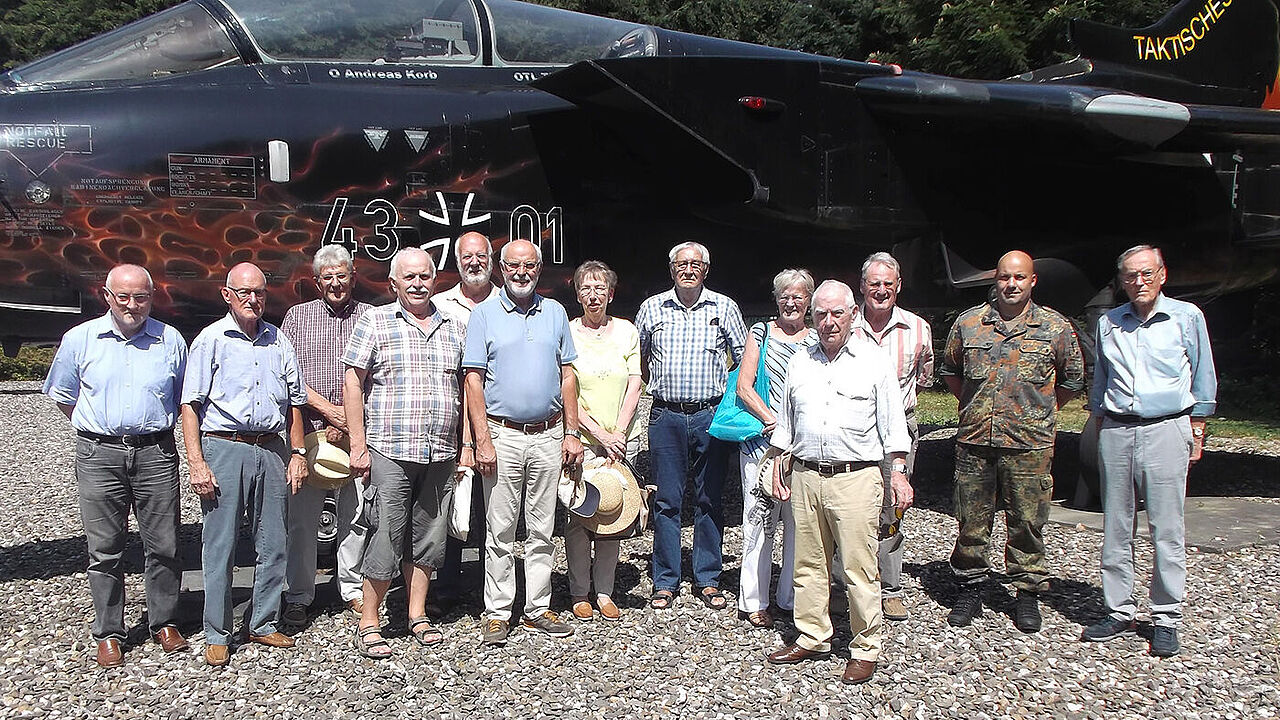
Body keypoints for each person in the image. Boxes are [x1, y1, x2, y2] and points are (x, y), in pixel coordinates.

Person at [764, 280, 912, 685]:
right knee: (807, 563)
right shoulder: (800, 360)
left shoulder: (873, 360)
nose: (829, 322)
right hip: (807, 474)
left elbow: (893, 423)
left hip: (856, 478)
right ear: (813, 316)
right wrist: (779, 460)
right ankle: (813, 635)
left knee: (858, 566)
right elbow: (787, 417)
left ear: (852, 314)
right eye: (821, 314)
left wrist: (897, 472)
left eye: (837, 314)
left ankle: (866, 648)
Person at [43, 264, 189, 668]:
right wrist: (97, 431)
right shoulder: (80, 339)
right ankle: (109, 632)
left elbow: (182, 399)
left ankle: (164, 622)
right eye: (122, 296)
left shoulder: (169, 340)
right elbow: (63, 395)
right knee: (104, 549)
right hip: (98, 455)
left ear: (152, 297)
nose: (131, 305)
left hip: (155, 453)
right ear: (106, 295)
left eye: (140, 297)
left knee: (164, 545)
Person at [939, 250, 1085, 633]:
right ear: (996, 280)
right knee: (971, 521)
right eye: (1005, 277)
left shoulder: (1054, 327)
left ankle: (1026, 593)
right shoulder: (969, 324)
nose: (1011, 285)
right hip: (975, 442)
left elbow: (1071, 380)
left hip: (1029, 445)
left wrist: (1034, 411)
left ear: (1032, 281)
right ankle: (971, 586)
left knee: (1027, 523)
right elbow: (952, 372)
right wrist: (978, 406)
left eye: (1019, 278)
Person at [1082, 245, 1216, 657]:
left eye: (1146, 273)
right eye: (1130, 275)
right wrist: (1100, 420)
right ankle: (1119, 610)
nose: (1138, 282)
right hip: (1118, 429)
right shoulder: (1109, 323)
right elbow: (1101, 378)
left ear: (1162, 275)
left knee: (1166, 527)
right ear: (1121, 281)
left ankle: (1165, 616)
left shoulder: (1186, 317)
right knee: (1116, 527)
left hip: (1167, 427)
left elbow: (1203, 372)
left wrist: (1198, 426)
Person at [343, 247, 468, 658]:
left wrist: (465, 444)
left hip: (440, 451)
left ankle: (417, 615)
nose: (418, 284)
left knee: (429, 539)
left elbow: (466, 390)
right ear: (393, 283)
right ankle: (370, 620)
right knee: (385, 534)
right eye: (409, 277)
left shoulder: (454, 325)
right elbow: (353, 382)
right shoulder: (375, 321)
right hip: (390, 451)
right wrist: (359, 446)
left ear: (436, 280)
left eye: (425, 276)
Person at [181, 262, 308, 667]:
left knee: (273, 540)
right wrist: (197, 462)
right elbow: (189, 406)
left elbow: (295, 403)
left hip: (271, 448)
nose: (253, 299)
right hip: (225, 446)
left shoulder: (278, 340)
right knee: (220, 543)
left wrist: (298, 453)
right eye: (244, 292)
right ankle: (217, 631)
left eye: (260, 293)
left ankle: (263, 621)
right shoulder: (210, 340)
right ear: (227, 294)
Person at [463, 239, 583, 644]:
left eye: (528, 266)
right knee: (499, 529)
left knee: (542, 529)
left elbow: (568, 375)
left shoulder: (555, 312)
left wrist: (572, 432)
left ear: (540, 268)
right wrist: (482, 439)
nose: (520, 272)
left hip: (548, 435)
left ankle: (537, 608)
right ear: (500, 268)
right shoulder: (483, 315)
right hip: (502, 435)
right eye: (513, 265)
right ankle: (497, 612)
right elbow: (473, 381)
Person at [636, 241, 746, 611]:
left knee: (709, 497)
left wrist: (730, 404)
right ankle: (665, 581)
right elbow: (640, 360)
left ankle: (708, 577)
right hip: (665, 415)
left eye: (695, 264)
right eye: (681, 264)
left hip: (709, 415)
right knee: (666, 501)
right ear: (671, 270)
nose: (688, 269)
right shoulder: (651, 309)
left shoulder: (724, 308)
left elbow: (745, 361)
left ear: (706, 270)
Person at [280, 245, 373, 628]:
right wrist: (327, 410)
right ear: (317, 282)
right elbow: (287, 376)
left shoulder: (372, 316)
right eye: (327, 277)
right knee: (302, 520)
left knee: (355, 515)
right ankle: (300, 594)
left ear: (353, 276)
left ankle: (351, 587)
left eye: (342, 275)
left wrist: (349, 420)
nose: (336, 283)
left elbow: (380, 376)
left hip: (358, 434)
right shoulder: (296, 318)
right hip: (309, 432)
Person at [851, 252, 934, 622]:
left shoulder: (917, 328)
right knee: (846, 506)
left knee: (893, 507)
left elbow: (924, 376)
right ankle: (843, 585)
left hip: (897, 431)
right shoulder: (846, 325)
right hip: (851, 429)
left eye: (888, 283)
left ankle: (890, 587)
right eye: (874, 284)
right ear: (862, 287)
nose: (881, 290)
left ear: (898, 286)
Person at [732, 268, 815, 628]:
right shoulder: (760, 333)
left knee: (799, 522)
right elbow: (744, 387)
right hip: (762, 443)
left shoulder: (817, 339)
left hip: (804, 446)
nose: (791, 302)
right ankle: (754, 599)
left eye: (798, 295)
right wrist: (775, 422)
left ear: (809, 301)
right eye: (785, 295)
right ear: (776, 299)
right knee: (760, 521)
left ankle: (790, 596)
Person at [565, 260, 643, 622]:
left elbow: (634, 381)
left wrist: (618, 434)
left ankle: (606, 591)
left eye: (600, 288)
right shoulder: (567, 331)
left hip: (619, 440)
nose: (593, 295)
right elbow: (564, 391)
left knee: (612, 513)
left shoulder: (627, 331)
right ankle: (579, 591)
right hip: (580, 439)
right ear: (577, 293)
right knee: (579, 517)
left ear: (611, 294)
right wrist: (597, 434)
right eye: (586, 288)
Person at [431, 231, 498, 602]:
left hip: (498, 421)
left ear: (492, 259)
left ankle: (492, 591)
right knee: (451, 506)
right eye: (467, 257)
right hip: (452, 422)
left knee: (495, 510)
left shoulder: (507, 304)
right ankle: (447, 588)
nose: (474, 262)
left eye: (481, 256)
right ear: (456, 262)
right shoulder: (440, 305)